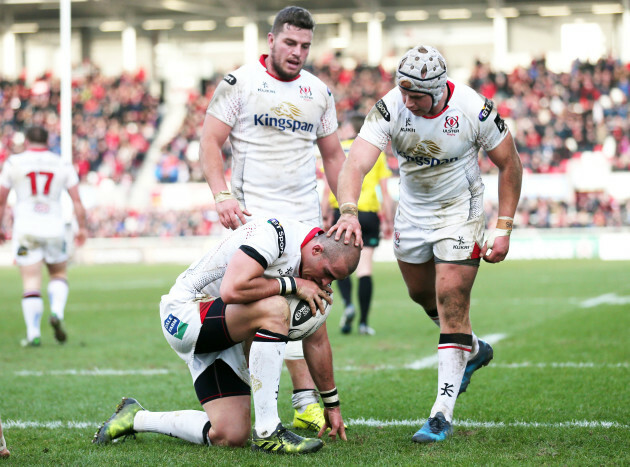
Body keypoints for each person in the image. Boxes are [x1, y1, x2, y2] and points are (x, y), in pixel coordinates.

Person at [330, 45, 522, 443]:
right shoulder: (390, 107)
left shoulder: (474, 108)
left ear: (439, 89)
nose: (407, 101)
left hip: (460, 212)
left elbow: (509, 163)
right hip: (412, 214)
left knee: (451, 300)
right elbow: (356, 163)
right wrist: (348, 209)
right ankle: (473, 348)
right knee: (422, 296)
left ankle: (440, 414)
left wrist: (503, 226)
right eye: (403, 92)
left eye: (416, 95)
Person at [199, 6, 347, 433]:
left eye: (305, 45)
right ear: (271, 39)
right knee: (261, 311)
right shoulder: (240, 82)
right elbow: (210, 140)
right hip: (254, 219)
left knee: (311, 311)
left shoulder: (318, 91)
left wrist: (349, 208)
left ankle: (305, 402)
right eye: (290, 43)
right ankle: (269, 411)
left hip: (304, 220)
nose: (297, 52)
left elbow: (333, 155)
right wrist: (221, 194)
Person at [93, 217, 361, 453]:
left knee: (229, 435)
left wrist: (332, 405)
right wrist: (292, 284)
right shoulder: (276, 234)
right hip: (186, 313)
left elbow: (316, 341)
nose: (326, 283)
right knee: (276, 308)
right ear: (316, 249)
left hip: (226, 328)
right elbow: (232, 290)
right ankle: (269, 432)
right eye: (328, 273)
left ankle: (135, 417)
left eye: (333, 280)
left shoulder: (311, 275)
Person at [0, 126, 88, 347]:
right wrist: (82, 227)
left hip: (26, 228)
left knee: (31, 281)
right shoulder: (62, 164)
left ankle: (33, 334)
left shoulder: (13, 163)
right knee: (58, 273)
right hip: (55, 228)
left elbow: (1, 199)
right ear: (47, 141)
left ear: (27, 141)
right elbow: (77, 200)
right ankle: (57, 311)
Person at [321, 113, 394, 335]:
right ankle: (363, 322)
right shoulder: (375, 152)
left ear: (348, 128)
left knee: (339, 267)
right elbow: (386, 192)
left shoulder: (336, 151)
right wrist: (389, 219)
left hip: (342, 212)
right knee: (365, 268)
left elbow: (327, 188)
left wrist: (325, 216)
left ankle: (348, 305)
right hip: (369, 215)